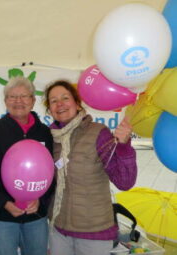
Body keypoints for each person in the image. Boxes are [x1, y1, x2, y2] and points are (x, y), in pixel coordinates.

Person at [43, 80, 137, 255]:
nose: (60, 104)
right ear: (49, 110)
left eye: (65, 98)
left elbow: (124, 182)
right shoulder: (50, 138)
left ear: (77, 104)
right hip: (59, 230)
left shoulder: (98, 133)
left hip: (93, 233)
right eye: (54, 101)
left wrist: (124, 147)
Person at [0, 76, 54, 255]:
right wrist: (3, 202)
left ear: (33, 100)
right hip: (1, 217)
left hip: (35, 216)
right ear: (5, 101)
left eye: (24, 96)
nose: (18, 101)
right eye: (12, 97)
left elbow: (51, 172)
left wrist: (40, 200)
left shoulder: (45, 132)